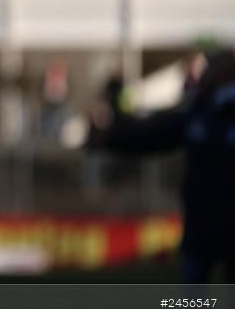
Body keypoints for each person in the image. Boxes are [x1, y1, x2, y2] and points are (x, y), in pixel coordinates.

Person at [87, 47, 235, 283]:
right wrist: (109, 139)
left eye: (212, 68)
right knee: (193, 301)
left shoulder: (211, 111)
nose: (205, 74)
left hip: (221, 223)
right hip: (202, 224)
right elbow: (155, 134)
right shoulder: (201, 111)